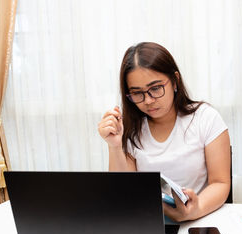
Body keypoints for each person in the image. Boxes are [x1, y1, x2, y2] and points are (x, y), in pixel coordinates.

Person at [98, 42, 230, 222]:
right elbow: (123, 193)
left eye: (155, 88)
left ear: (175, 81)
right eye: (137, 93)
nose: (148, 101)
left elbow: (220, 183)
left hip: (200, 220)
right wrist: (114, 147)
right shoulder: (130, 129)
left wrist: (194, 210)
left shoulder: (205, 118)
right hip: (148, 224)